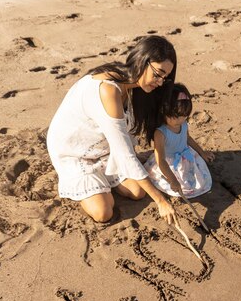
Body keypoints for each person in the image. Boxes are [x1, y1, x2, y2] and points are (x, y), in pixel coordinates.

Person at [46, 35, 178, 224]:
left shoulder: (133, 84)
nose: (159, 82)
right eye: (157, 74)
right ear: (142, 61)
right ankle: (86, 183)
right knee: (103, 212)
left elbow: (125, 142)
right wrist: (161, 201)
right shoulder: (107, 89)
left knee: (138, 191)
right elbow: (124, 154)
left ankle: (104, 180)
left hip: (104, 148)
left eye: (164, 78)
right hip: (74, 151)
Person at [143, 83, 214, 198]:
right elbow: (161, 160)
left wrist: (202, 153)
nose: (180, 120)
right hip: (169, 164)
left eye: (184, 116)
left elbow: (187, 138)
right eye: (176, 116)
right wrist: (172, 180)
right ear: (164, 111)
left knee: (198, 181)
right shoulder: (160, 133)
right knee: (179, 186)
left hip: (186, 157)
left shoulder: (183, 124)